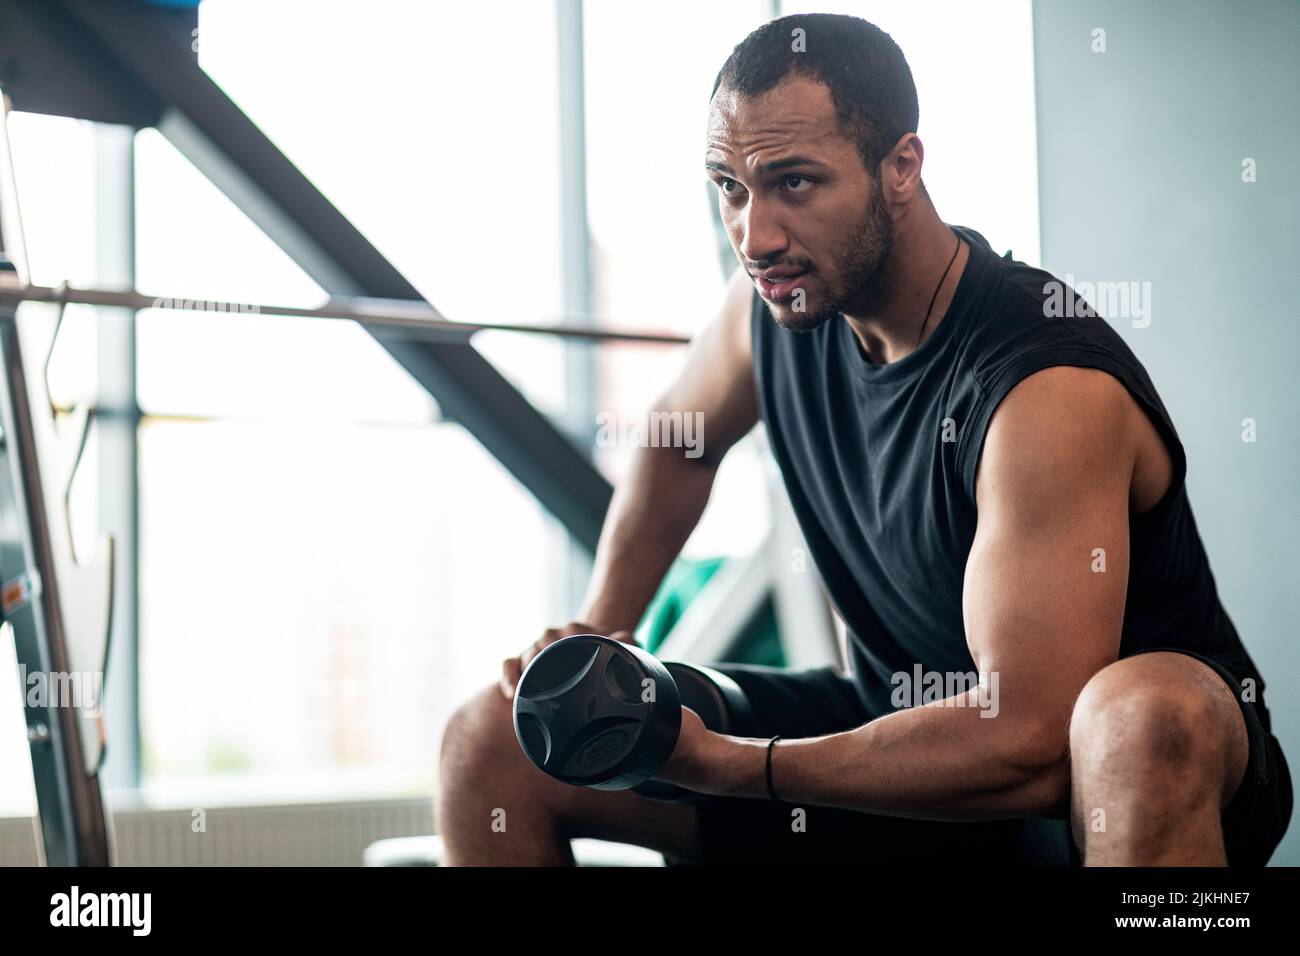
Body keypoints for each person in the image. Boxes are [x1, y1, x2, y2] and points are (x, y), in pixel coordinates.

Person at [437, 13, 1291, 866]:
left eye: (794, 183)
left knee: (1137, 714)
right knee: (490, 741)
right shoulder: (772, 312)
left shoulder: (1043, 384)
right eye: (730, 187)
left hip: (1078, 776)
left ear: (901, 168)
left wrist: (742, 767)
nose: (755, 237)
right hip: (898, 734)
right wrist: (602, 630)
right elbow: (676, 442)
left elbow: (1027, 737)